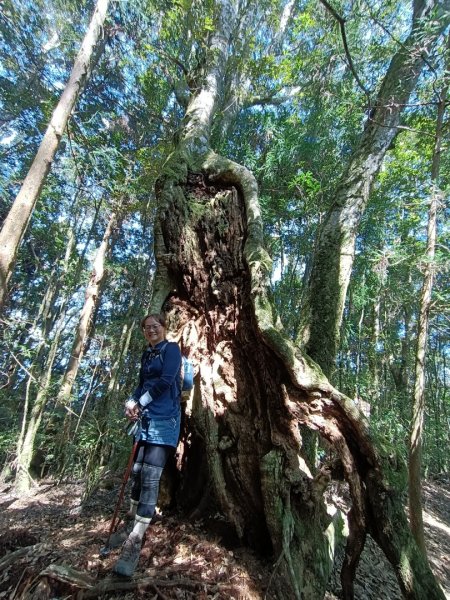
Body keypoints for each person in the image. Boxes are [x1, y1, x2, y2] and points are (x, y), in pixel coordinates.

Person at [113, 313, 182, 577]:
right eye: (146, 328)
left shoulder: (172, 350)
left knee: (152, 476)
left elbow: (165, 382)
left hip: (165, 420)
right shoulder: (147, 355)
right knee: (138, 472)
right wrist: (131, 402)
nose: (151, 330)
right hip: (144, 420)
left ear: (164, 328)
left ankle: (136, 538)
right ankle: (131, 522)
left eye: (155, 326)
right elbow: (142, 384)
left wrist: (141, 403)